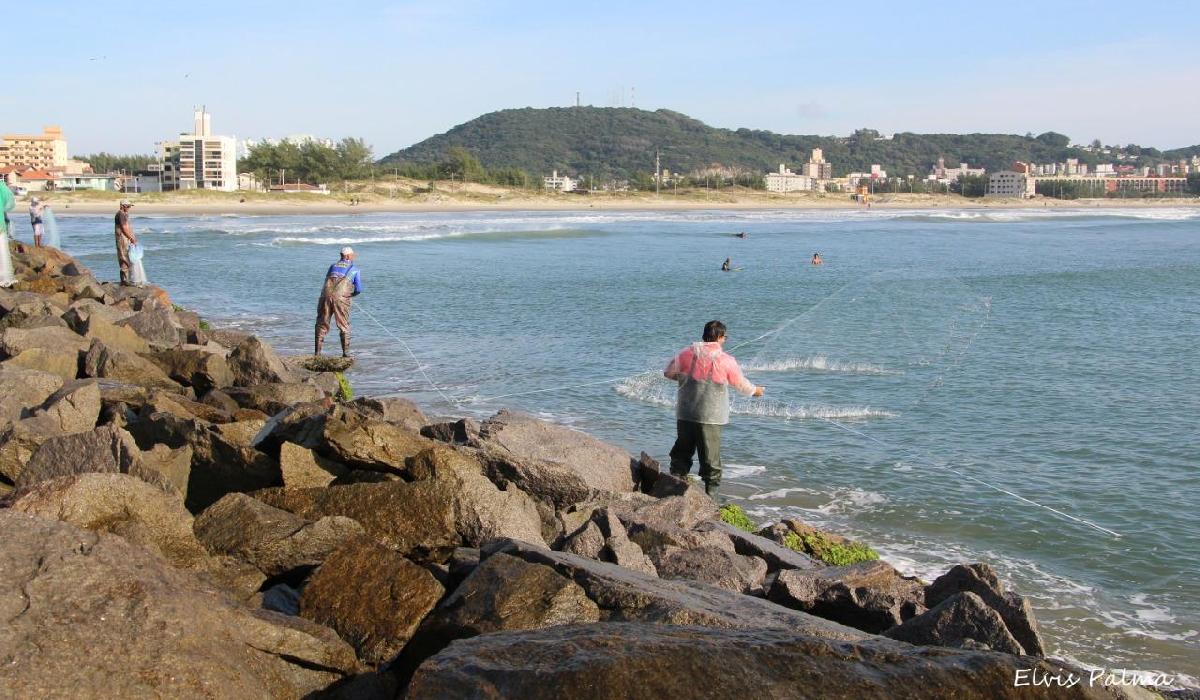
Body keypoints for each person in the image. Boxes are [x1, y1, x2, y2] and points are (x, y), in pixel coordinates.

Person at [664, 320, 764, 499]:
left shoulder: (686, 354)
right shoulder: (725, 360)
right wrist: (756, 391)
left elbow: (668, 373)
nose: (725, 340)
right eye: (724, 337)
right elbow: (741, 385)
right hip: (711, 417)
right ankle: (711, 498)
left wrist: (686, 379)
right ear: (719, 337)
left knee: (681, 452)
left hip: (686, 414)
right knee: (710, 459)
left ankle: (673, 491)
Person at [315, 246, 363, 357]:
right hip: (341, 298)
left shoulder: (332, 266)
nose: (353, 257)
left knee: (321, 323)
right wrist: (351, 295)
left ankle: (317, 354)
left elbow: (328, 281)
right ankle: (345, 354)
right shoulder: (354, 269)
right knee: (343, 325)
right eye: (352, 255)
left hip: (325, 296)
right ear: (347, 256)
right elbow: (359, 289)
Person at [114, 200, 137, 285]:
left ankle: (129, 279)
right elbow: (123, 228)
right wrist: (130, 237)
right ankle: (125, 280)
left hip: (126, 239)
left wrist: (133, 237)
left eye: (129, 206)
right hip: (121, 239)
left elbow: (128, 227)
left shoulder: (125, 214)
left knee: (129, 257)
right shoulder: (120, 214)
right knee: (123, 257)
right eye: (128, 206)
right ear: (122, 206)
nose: (129, 208)